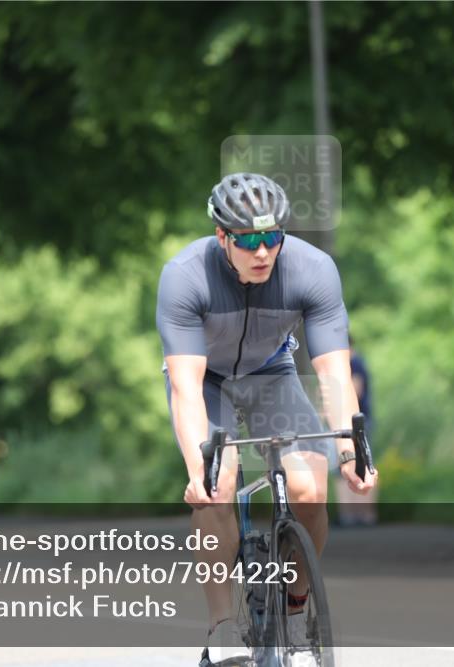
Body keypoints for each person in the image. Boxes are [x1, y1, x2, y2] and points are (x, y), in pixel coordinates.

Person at [156, 172, 379, 665]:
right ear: (222, 237)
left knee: (309, 485)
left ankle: (298, 603)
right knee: (220, 481)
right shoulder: (185, 275)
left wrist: (350, 453)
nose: (262, 252)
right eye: (249, 240)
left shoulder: (312, 270)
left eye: (272, 237)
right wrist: (201, 470)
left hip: (271, 372)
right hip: (206, 379)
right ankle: (223, 629)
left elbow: (335, 375)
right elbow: (186, 389)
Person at [335, 335, 378, 527]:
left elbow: (356, 390)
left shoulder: (354, 363)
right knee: (357, 467)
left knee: (359, 466)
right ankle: (355, 516)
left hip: (356, 422)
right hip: (356, 420)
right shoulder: (356, 362)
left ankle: (361, 515)